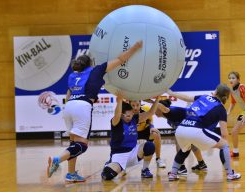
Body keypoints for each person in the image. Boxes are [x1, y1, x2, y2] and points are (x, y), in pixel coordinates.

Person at [46, 41, 143, 182]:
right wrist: (134, 48)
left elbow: (69, 92)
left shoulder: (73, 76)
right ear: (90, 64)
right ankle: (57, 160)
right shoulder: (96, 70)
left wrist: (69, 107)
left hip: (69, 105)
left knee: (73, 143)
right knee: (82, 145)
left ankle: (71, 173)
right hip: (82, 106)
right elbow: (121, 59)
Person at [166, 84, 241, 181]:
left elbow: (187, 98)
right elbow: (224, 133)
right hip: (196, 130)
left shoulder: (204, 96)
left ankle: (173, 173)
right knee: (224, 145)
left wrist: (172, 93)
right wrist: (224, 146)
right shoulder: (221, 109)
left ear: (216, 92)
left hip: (181, 129)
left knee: (185, 149)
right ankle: (230, 174)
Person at [101, 93, 160, 180]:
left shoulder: (134, 119)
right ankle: (110, 164)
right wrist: (119, 101)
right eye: (128, 116)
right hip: (119, 156)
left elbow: (151, 112)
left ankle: (145, 170)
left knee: (150, 146)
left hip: (133, 153)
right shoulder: (116, 122)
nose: (130, 117)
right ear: (121, 115)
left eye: (132, 115)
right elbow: (117, 113)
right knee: (108, 175)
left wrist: (157, 99)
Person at [154, 99, 208, 176]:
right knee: (190, 143)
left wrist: (153, 101)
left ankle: (181, 168)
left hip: (198, 123)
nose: (154, 110)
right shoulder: (168, 119)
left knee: (179, 139)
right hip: (196, 124)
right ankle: (201, 164)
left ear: (161, 109)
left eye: (156, 108)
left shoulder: (170, 112)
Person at [130, 100, 166, 168]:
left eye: (137, 105)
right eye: (133, 105)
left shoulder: (146, 109)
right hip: (131, 133)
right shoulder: (126, 111)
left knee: (156, 133)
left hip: (144, 131)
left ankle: (158, 159)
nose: (135, 108)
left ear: (140, 103)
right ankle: (121, 162)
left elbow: (150, 121)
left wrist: (151, 128)